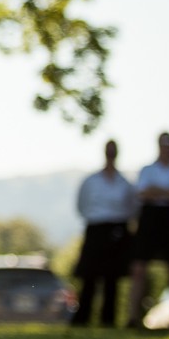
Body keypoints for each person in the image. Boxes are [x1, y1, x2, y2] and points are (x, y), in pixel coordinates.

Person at [126, 132, 169, 327]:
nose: (166, 148)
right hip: (150, 220)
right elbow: (144, 192)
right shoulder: (147, 170)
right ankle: (133, 316)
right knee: (139, 267)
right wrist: (167, 192)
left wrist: (157, 191)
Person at [71, 140, 137, 327]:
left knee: (112, 278)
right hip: (96, 229)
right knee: (89, 276)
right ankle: (82, 319)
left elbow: (132, 208)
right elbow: (81, 205)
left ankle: (108, 320)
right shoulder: (91, 181)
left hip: (118, 230)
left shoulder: (124, 183)